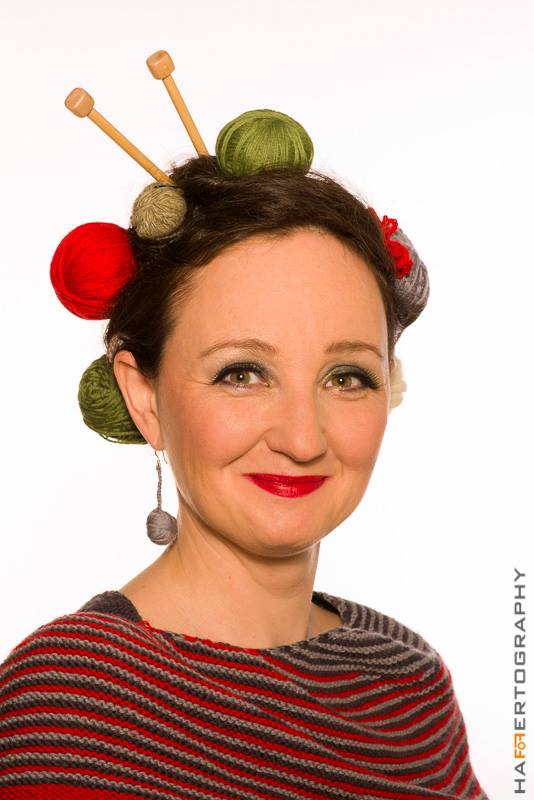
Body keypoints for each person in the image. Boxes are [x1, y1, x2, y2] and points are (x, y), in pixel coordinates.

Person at [0, 51, 490, 800]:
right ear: (144, 397)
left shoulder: (408, 682)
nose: (303, 438)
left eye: (346, 376)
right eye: (242, 373)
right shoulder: (69, 710)